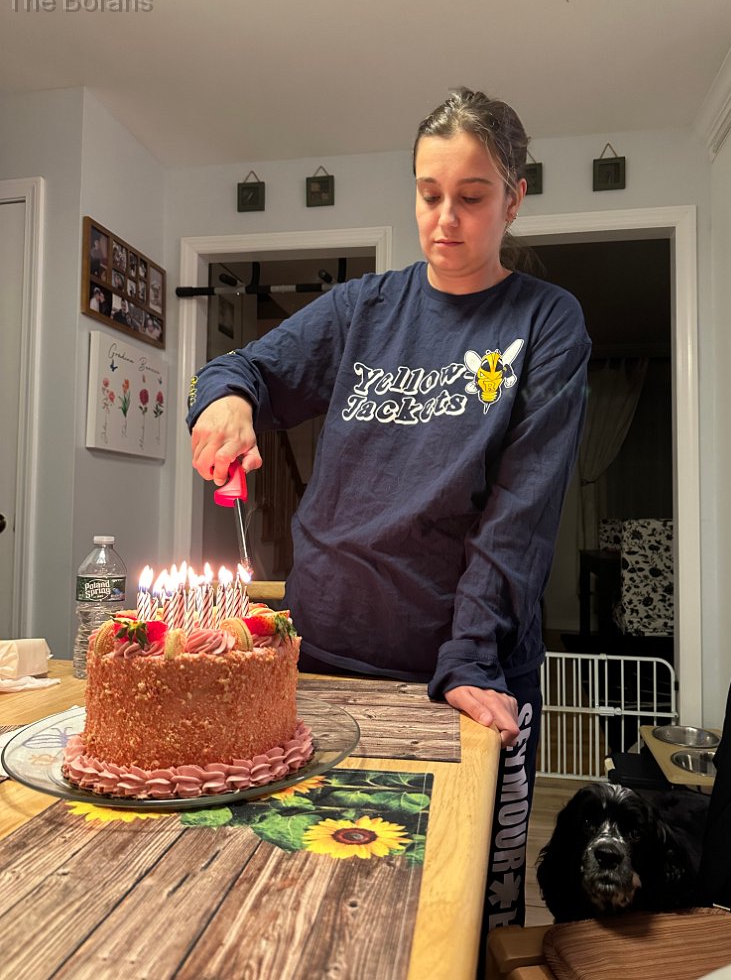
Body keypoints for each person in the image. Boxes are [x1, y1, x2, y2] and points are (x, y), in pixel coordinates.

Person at [188, 88, 591, 936]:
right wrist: (223, 401)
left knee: (453, 919)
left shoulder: (545, 321)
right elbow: (241, 369)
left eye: (471, 196)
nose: (444, 219)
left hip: (459, 678)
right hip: (321, 666)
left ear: (514, 199)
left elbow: (519, 514)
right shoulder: (361, 309)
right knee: (307, 903)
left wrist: (470, 659)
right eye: (428, 193)